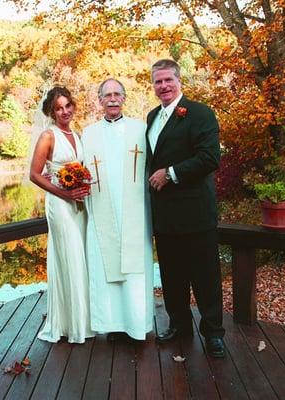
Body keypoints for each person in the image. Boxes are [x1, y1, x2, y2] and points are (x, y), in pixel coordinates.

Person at [146, 59, 225, 358]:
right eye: (158, 81)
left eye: (168, 80)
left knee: (205, 277)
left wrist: (171, 173)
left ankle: (214, 333)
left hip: (195, 214)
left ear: (179, 80)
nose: (163, 86)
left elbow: (210, 158)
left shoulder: (200, 113)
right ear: (153, 85)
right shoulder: (153, 116)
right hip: (164, 216)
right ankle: (179, 325)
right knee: (172, 276)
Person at [82, 78, 154, 340]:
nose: (112, 99)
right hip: (103, 209)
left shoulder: (140, 129)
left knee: (134, 272)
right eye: (107, 95)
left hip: (135, 212)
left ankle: (136, 324)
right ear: (99, 100)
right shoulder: (88, 133)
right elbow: (76, 169)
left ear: (124, 98)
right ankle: (113, 325)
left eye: (117, 94)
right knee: (105, 268)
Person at [29, 86, 95, 343]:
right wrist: (64, 193)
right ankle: (70, 326)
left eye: (68, 106)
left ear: (73, 107)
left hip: (79, 204)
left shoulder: (77, 135)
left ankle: (84, 320)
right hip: (60, 204)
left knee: (81, 257)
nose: (65, 111)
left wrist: (83, 184)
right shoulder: (48, 136)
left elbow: (81, 167)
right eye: (59, 108)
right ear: (51, 111)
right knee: (69, 258)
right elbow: (34, 174)